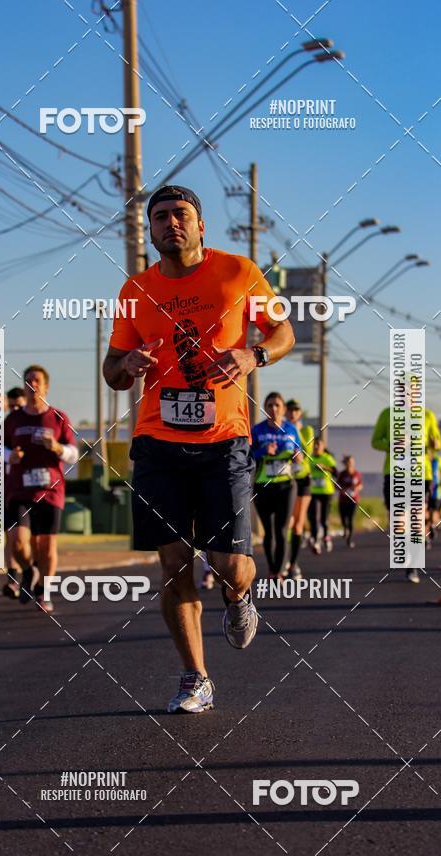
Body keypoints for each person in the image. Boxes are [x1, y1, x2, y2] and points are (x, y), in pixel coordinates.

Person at [104, 184, 295, 714]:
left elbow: (284, 332)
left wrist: (254, 353)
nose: (171, 223)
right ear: (151, 229)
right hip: (157, 442)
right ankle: (196, 677)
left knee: (230, 563)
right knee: (173, 564)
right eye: (160, 216)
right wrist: (127, 368)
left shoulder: (238, 272)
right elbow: (111, 368)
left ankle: (239, 596)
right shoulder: (135, 290)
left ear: (201, 224)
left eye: (180, 214)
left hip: (224, 442)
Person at [4, 366, 79, 612]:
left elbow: (73, 455)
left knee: (46, 545)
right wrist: (9, 456)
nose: (32, 385)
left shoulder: (58, 417)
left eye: (37, 381)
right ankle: (29, 571)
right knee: (17, 541)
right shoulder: (13, 420)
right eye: (28, 381)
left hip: (50, 490)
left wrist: (57, 448)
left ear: (46, 386)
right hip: (19, 489)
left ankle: (45, 593)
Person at [371, 405, 441, 583]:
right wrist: (391, 444)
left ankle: (413, 567)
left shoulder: (427, 415)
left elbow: (438, 443)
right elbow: (375, 441)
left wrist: (435, 444)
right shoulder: (387, 414)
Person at [251, 393, 300, 580]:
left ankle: (277, 572)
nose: (274, 409)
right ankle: (272, 568)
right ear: (265, 407)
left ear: (283, 408)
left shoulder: (291, 429)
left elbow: (299, 453)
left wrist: (298, 456)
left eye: (277, 405)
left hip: (286, 486)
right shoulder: (257, 430)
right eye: (270, 405)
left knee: (281, 529)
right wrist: (263, 451)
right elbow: (247, 455)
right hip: (263, 485)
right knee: (268, 531)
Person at [285, 399, 314, 577]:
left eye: (296, 410)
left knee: (298, 523)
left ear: (300, 413)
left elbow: (307, 452)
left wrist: (295, 429)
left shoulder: (306, 430)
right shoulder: (283, 428)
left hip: (303, 479)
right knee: (287, 522)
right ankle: (285, 559)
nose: (293, 413)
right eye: (290, 410)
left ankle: (294, 564)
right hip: (288, 478)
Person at [2, 387, 26, 599]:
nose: (15, 409)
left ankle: (32, 574)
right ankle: (12, 579)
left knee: (32, 539)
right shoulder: (8, 423)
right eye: (11, 406)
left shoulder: (37, 422)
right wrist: (9, 455)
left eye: (19, 405)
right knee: (11, 536)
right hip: (10, 489)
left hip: (35, 491)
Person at [308, 437, 337, 554]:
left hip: (326, 491)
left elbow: (336, 472)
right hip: (313, 491)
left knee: (324, 519)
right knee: (314, 518)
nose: (316, 447)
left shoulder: (327, 458)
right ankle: (315, 540)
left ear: (323, 447)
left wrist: (325, 467)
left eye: (318, 445)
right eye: (315, 444)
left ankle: (326, 536)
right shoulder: (309, 458)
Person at [337, 455, 363, 548]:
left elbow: (360, 485)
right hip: (343, 500)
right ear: (345, 463)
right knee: (344, 519)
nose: (350, 464)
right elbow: (337, 485)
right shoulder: (342, 474)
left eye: (351, 462)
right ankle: (345, 529)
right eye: (348, 462)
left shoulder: (357, 474)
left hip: (353, 500)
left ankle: (350, 539)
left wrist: (356, 488)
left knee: (351, 519)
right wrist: (342, 489)